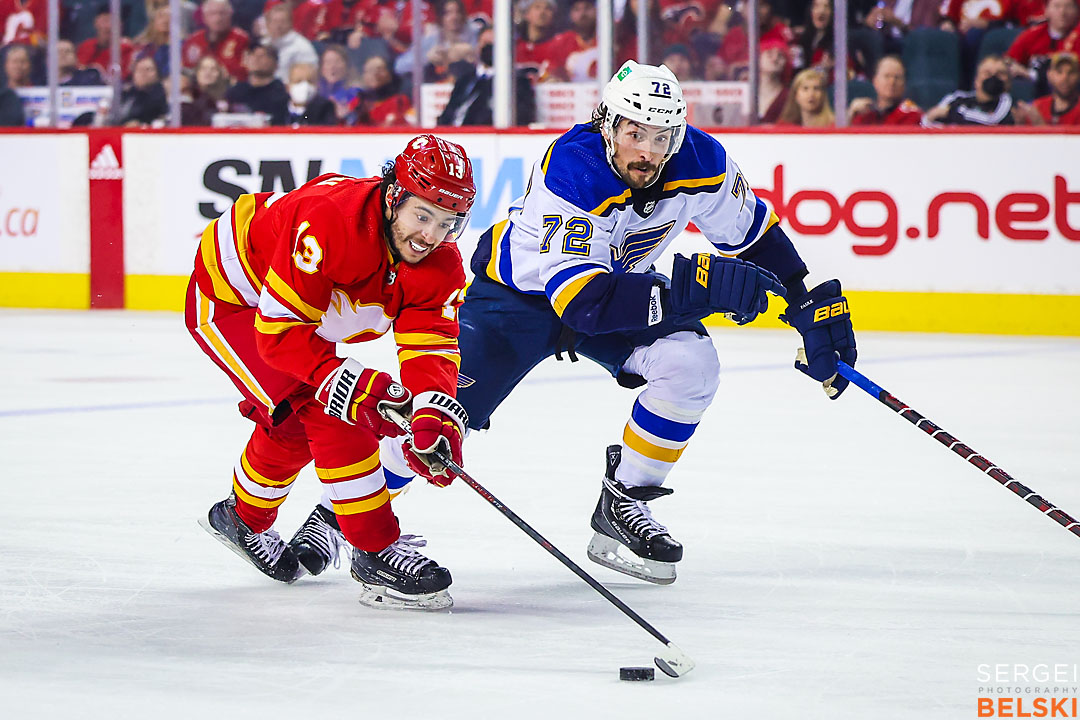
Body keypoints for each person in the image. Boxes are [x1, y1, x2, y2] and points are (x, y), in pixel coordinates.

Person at [292, 61, 857, 587]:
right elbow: (582, 305)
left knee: (691, 365)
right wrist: (692, 294)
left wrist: (804, 301)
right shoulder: (573, 168)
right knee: (439, 417)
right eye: (635, 132)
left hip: (616, 290)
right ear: (607, 124)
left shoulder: (702, 162)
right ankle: (339, 515)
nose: (648, 150)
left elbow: (754, 235)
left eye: (662, 137)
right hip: (519, 301)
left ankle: (624, 500)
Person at [187, 134, 476, 609]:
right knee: (331, 414)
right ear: (393, 196)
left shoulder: (441, 262)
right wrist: (357, 388)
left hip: (297, 314)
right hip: (235, 298)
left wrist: (432, 410)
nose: (430, 236)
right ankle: (375, 549)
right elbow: (280, 335)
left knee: (294, 422)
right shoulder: (330, 223)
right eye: (422, 215)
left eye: (447, 223)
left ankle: (241, 518)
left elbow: (430, 344)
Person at [923, 53, 1016, 125]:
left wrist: (954, 113)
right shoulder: (956, 98)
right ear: (976, 80)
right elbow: (927, 120)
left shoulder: (1008, 103)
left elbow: (991, 123)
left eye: (1000, 74)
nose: (993, 77)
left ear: (1008, 82)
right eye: (987, 73)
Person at [182, 0, 250, 82]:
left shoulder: (241, 39)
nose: (218, 18)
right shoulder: (193, 41)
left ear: (230, 14)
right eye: (212, 14)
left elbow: (246, 73)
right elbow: (186, 71)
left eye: (222, 13)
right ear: (204, 17)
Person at [848, 55, 922, 124]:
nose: (892, 82)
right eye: (887, 76)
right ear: (875, 81)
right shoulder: (863, 114)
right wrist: (850, 114)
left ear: (904, 83)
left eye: (897, 77)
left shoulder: (913, 114)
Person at [226, 43, 289, 124]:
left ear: (276, 64)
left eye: (262, 56)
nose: (256, 59)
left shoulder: (282, 93)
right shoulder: (235, 91)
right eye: (252, 54)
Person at [1017, 50, 1080, 122]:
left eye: (1071, 72)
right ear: (1049, 75)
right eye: (1059, 72)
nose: (1064, 78)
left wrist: (1040, 124)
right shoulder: (1038, 107)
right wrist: (1020, 123)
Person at [264, 3, 318, 82]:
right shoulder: (264, 44)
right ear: (268, 24)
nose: (278, 26)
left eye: (282, 21)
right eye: (275, 21)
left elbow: (309, 76)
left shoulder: (302, 47)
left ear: (290, 23)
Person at [77, 9, 135, 79]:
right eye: (105, 21)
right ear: (96, 23)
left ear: (120, 26)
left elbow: (123, 77)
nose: (108, 26)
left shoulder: (126, 49)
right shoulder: (86, 46)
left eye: (113, 22)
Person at [113, 55, 167, 125]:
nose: (143, 74)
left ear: (157, 73)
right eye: (139, 70)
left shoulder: (161, 95)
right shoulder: (127, 94)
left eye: (148, 70)